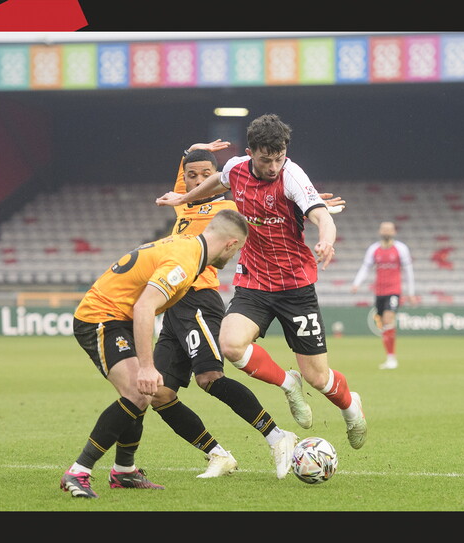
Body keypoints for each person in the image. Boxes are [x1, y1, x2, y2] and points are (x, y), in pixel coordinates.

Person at [156, 113, 367, 450]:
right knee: (231, 345)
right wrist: (183, 198)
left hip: (295, 285)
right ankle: (287, 383)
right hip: (253, 281)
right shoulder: (236, 168)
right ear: (251, 152)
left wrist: (326, 239)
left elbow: (321, 216)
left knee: (319, 378)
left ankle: (350, 405)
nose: (273, 166)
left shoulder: (292, 177)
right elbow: (218, 180)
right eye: (266, 159)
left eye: (279, 158)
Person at [60, 208, 249, 499]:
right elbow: (145, 306)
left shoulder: (189, 247)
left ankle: (124, 471)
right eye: (238, 250)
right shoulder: (186, 261)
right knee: (139, 391)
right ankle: (79, 471)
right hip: (100, 316)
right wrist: (148, 366)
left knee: (143, 393)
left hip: (117, 318)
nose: (235, 257)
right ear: (230, 244)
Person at [148, 140, 299, 480]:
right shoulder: (183, 204)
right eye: (190, 175)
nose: (196, 179)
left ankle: (278, 437)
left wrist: (309, 204)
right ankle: (218, 455)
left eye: (206, 174)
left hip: (199, 299)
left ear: (216, 177)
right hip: (172, 307)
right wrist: (193, 149)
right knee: (158, 394)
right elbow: (186, 169)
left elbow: (264, 197)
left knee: (210, 378)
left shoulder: (228, 205)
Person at [350, 221, 417, 369]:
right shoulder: (373, 249)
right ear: (380, 231)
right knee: (384, 325)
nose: (386, 232)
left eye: (389, 229)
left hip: (394, 291)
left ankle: (392, 358)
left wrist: (411, 293)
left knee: (388, 319)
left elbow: (408, 271)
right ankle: (389, 357)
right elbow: (365, 268)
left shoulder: (401, 249)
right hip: (379, 292)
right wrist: (357, 283)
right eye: (384, 229)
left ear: (394, 232)